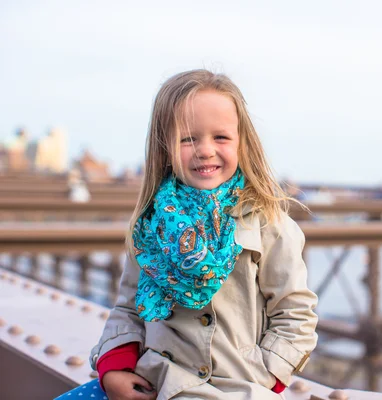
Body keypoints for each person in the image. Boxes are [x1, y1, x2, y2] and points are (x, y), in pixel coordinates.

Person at [55, 69, 318, 400]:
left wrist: (268, 374)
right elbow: (129, 307)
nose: (205, 150)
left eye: (220, 137)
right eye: (188, 138)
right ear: (164, 147)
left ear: (242, 143)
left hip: (240, 388)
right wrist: (116, 367)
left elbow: (294, 310)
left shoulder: (269, 223)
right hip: (157, 383)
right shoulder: (152, 225)